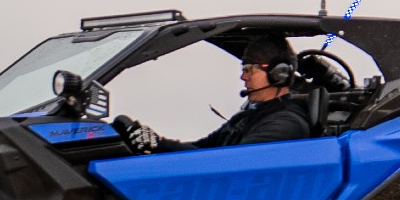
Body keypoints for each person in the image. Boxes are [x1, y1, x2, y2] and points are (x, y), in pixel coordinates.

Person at [116, 36, 312, 153]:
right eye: (244, 68)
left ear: (279, 74)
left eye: (251, 69)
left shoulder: (286, 123)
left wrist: (158, 144)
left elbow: (225, 163)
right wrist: (156, 143)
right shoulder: (247, 117)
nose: (243, 76)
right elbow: (202, 149)